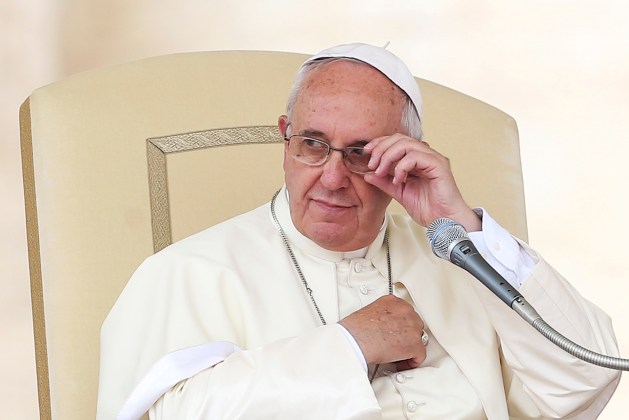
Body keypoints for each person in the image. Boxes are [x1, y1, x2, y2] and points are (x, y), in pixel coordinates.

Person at [97, 43, 621, 419]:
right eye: (313, 143)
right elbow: (169, 412)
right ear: (285, 138)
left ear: (403, 158)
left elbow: (585, 377)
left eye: (361, 154)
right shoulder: (187, 273)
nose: (331, 177)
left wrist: (459, 223)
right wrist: (349, 347)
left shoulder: (462, 259)